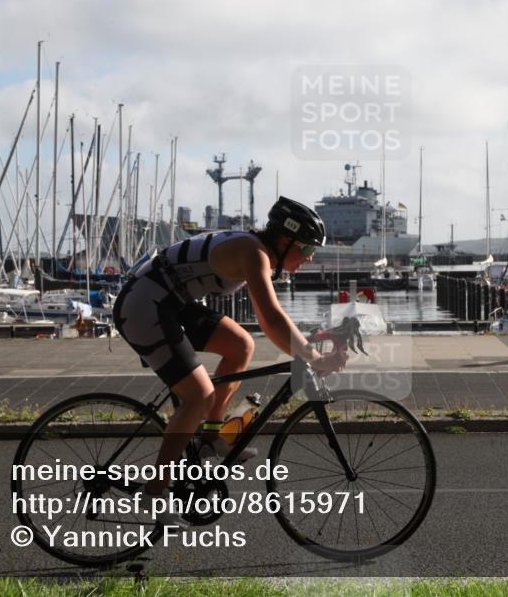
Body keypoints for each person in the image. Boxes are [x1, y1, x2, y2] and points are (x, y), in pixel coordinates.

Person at [112, 196, 348, 524]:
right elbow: (272, 319)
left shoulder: (256, 249)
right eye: (307, 250)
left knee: (240, 345)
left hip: (170, 301)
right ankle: (154, 494)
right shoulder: (253, 253)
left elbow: (274, 321)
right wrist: (311, 355)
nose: (309, 259)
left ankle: (210, 436)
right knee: (199, 394)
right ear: (285, 240)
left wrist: (309, 346)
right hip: (144, 304)